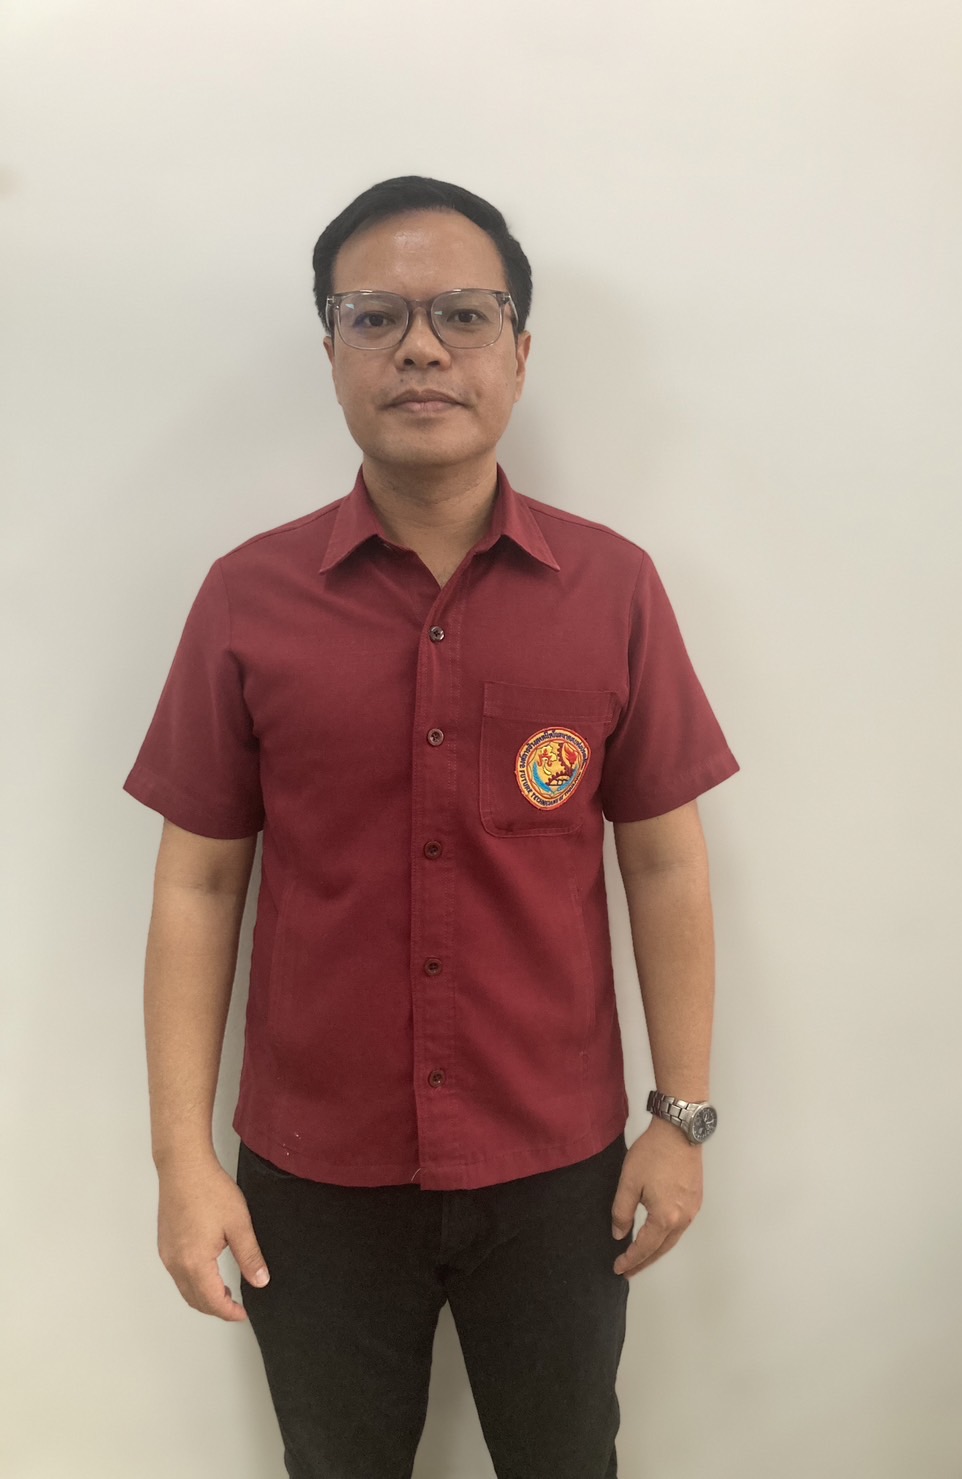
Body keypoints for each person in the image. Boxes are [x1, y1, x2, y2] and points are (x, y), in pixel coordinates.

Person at [124, 175, 739, 1479]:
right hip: (312, 1174)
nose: (420, 349)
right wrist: (184, 1160)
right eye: (375, 316)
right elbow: (199, 889)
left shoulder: (614, 588)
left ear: (519, 349)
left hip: (558, 1168)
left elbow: (663, 860)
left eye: (463, 314)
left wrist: (679, 1118)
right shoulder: (246, 599)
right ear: (331, 350)